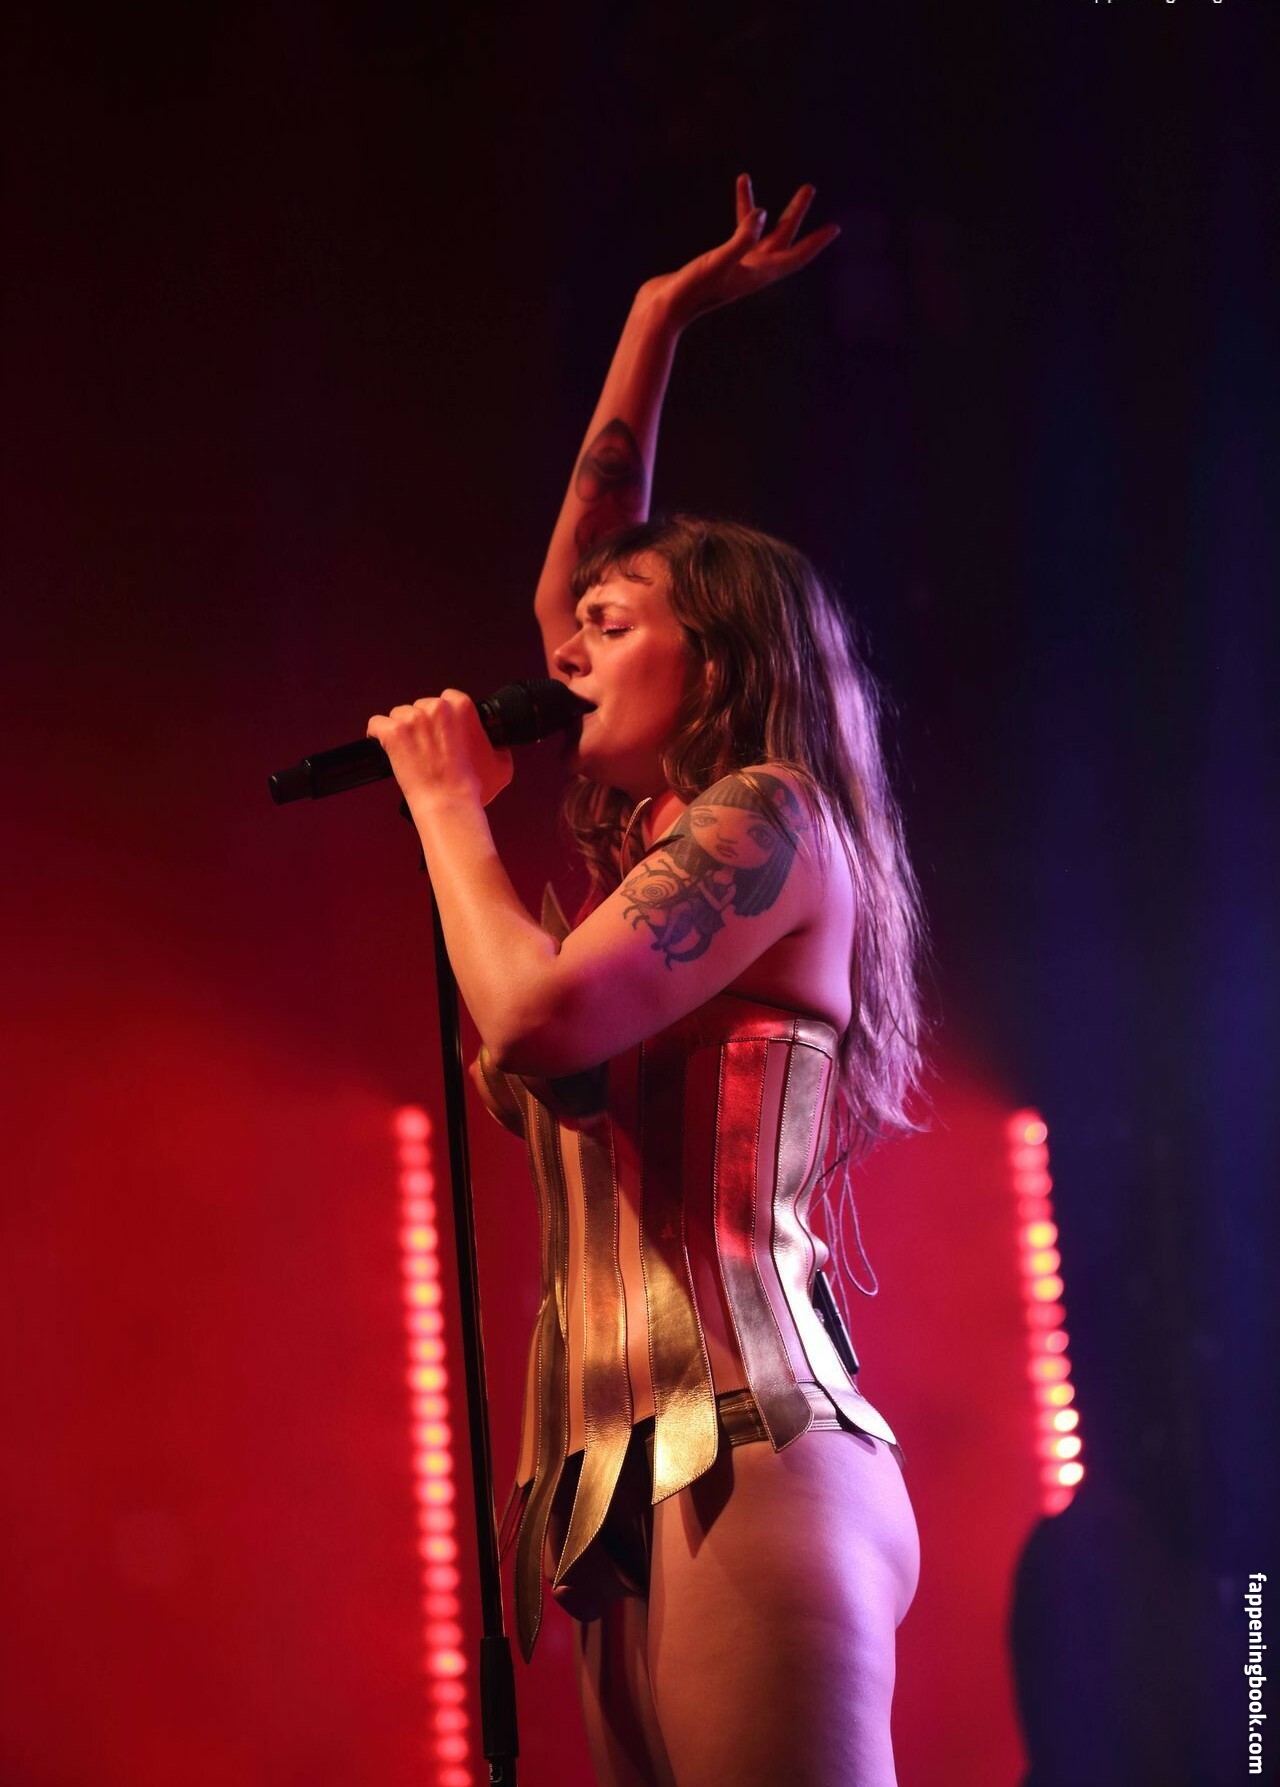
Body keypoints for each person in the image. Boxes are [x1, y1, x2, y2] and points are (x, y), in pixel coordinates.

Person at [368, 175, 924, 1787]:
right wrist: (654, 320)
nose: (567, 651)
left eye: (614, 630)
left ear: (721, 662)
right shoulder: (656, 862)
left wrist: (449, 813)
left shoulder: (772, 820)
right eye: (581, 629)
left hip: (754, 1448)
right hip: (613, 1488)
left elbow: (532, 1014)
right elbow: (577, 592)